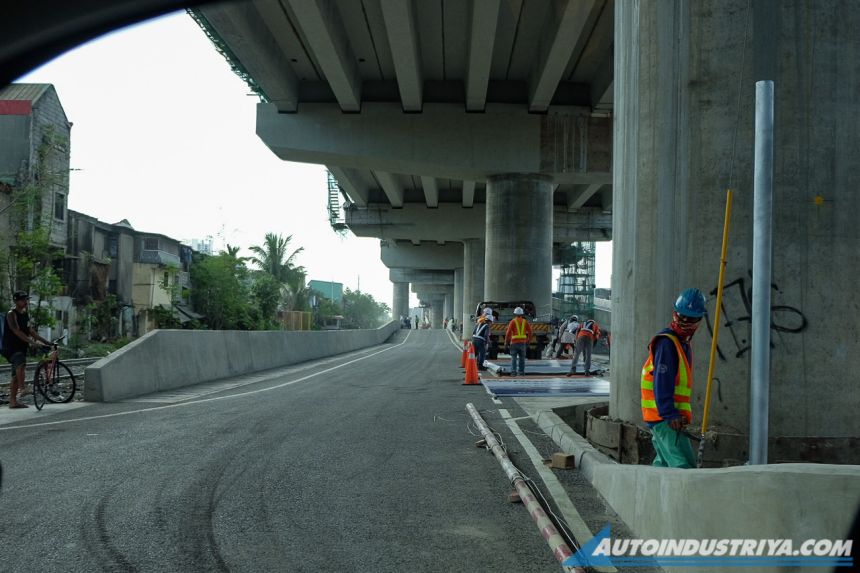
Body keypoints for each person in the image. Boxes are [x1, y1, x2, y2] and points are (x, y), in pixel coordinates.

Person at [641, 288, 707, 468]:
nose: (684, 322)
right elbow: (662, 382)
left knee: (663, 464)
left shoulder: (681, 343)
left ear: (699, 320)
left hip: (663, 417)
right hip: (665, 418)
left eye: (690, 319)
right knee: (682, 466)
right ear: (675, 314)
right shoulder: (668, 343)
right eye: (681, 316)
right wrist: (670, 413)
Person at [2, 291, 49, 408]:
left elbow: (31, 331)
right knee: (21, 363)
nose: (25, 302)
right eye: (22, 300)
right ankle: (22, 388)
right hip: (10, 347)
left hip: (21, 347)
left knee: (15, 375)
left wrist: (45, 342)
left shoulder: (25, 314)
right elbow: (16, 330)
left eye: (26, 299)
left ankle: (13, 402)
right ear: (16, 301)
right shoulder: (11, 314)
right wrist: (31, 342)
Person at [504, 306, 533, 377]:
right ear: (522, 314)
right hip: (523, 343)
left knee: (513, 358)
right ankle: (521, 372)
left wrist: (506, 342)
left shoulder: (513, 321)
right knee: (522, 358)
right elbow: (530, 332)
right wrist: (528, 340)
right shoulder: (525, 321)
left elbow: (508, 332)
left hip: (514, 343)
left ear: (515, 314)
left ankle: (513, 372)